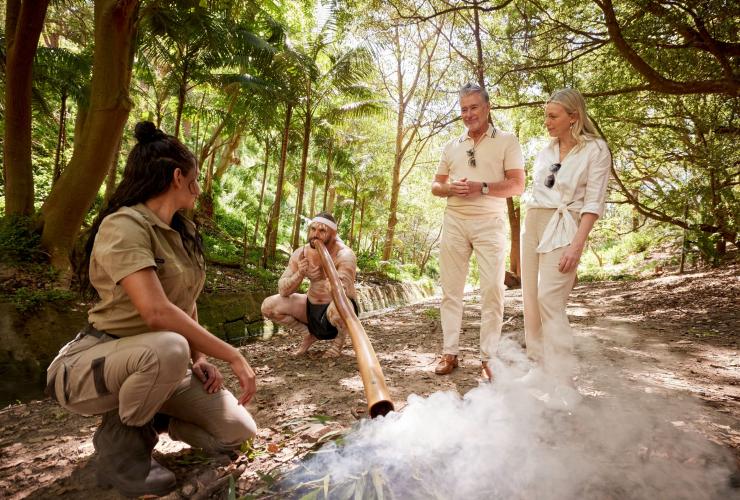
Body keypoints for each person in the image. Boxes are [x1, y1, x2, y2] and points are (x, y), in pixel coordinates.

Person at [45, 122, 258, 497]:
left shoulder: (182, 231)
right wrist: (233, 354)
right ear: (179, 177)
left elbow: (185, 302)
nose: (199, 186)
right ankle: (121, 450)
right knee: (168, 347)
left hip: (163, 363)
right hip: (95, 364)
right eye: (196, 177)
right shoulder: (124, 225)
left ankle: (155, 415)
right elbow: (157, 313)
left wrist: (201, 358)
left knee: (239, 432)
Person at [431, 83, 526, 381]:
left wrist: (482, 187)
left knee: (493, 291)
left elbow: (518, 185)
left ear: (487, 108)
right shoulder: (451, 145)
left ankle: (488, 357)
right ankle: (450, 352)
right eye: (463, 109)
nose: (468, 114)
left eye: (474, 107)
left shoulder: (508, 141)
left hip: (490, 222)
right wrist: (450, 188)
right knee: (451, 291)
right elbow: (435, 186)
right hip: (455, 221)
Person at [520, 88, 611, 397]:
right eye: (545, 115)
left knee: (550, 298)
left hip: (565, 225)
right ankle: (539, 367)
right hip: (534, 221)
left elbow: (593, 203)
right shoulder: (546, 151)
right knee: (531, 298)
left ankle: (565, 381)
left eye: (553, 116)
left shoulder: (595, 149)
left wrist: (577, 244)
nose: (546, 122)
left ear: (574, 117)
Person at [261, 213, 358, 358]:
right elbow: (282, 290)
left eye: (322, 231)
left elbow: (341, 291)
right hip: (311, 309)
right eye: (313, 229)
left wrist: (330, 280)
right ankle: (308, 334)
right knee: (268, 306)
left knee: (339, 307)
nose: (315, 235)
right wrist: (300, 274)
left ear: (333, 234)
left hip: (339, 310)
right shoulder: (302, 252)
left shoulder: (345, 255)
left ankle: (338, 343)